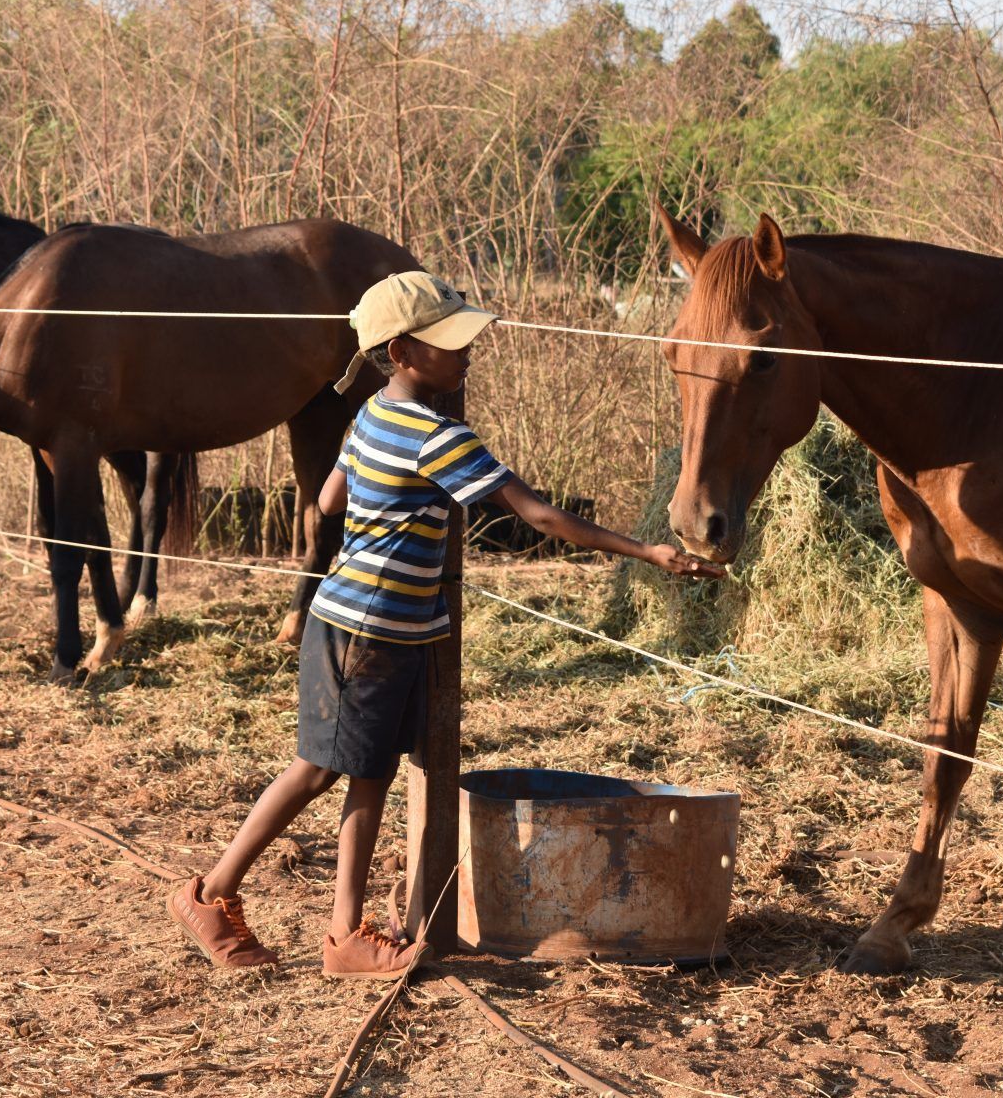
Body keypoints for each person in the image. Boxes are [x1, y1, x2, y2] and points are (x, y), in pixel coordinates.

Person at [168, 270, 723, 977]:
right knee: (316, 770)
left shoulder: (369, 416)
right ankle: (212, 893)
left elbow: (332, 500)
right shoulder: (438, 437)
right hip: (365, 634)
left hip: (370, 629)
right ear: (401, 351)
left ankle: (346, 935)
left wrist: (387, 502)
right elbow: (539, 516)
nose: (468, 353)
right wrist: (646, 550)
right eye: (449, 343)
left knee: (367, 775)